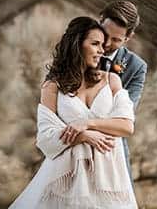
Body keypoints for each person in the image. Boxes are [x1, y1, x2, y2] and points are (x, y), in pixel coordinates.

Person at [8, 16, 138, 209]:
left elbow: (126, 126)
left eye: (102, 44)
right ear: (77, 44)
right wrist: (84, 136)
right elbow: (45, 139)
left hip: (109, 180)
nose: (102, 50)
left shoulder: (112, 81)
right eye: (95, 44)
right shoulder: (52, 87)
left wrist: (87, 124)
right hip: (66, 180)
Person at [98, 1, 147, 180]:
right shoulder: (74, 51)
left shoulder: (136, 67)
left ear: (128, 38)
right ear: (99, 21)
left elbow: (125, 115)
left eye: (116, 40)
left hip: (111, 148)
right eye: (105, 34)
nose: (106, 44)